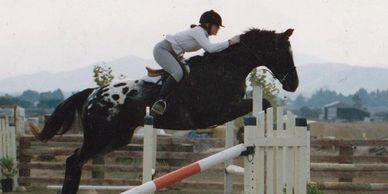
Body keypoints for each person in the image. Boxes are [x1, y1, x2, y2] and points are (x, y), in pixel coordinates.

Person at [151, 10, 240, 116]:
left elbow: (212, 49)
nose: (218, 28)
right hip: (162, 50)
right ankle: (159, 101)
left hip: (173, 54)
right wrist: (229, 42)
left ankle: (173, 101)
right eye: (217, 25)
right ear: (208, 24)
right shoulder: (198, 31)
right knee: (178, 73)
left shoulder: (203, 34)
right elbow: (210, 49)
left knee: (188, 72)